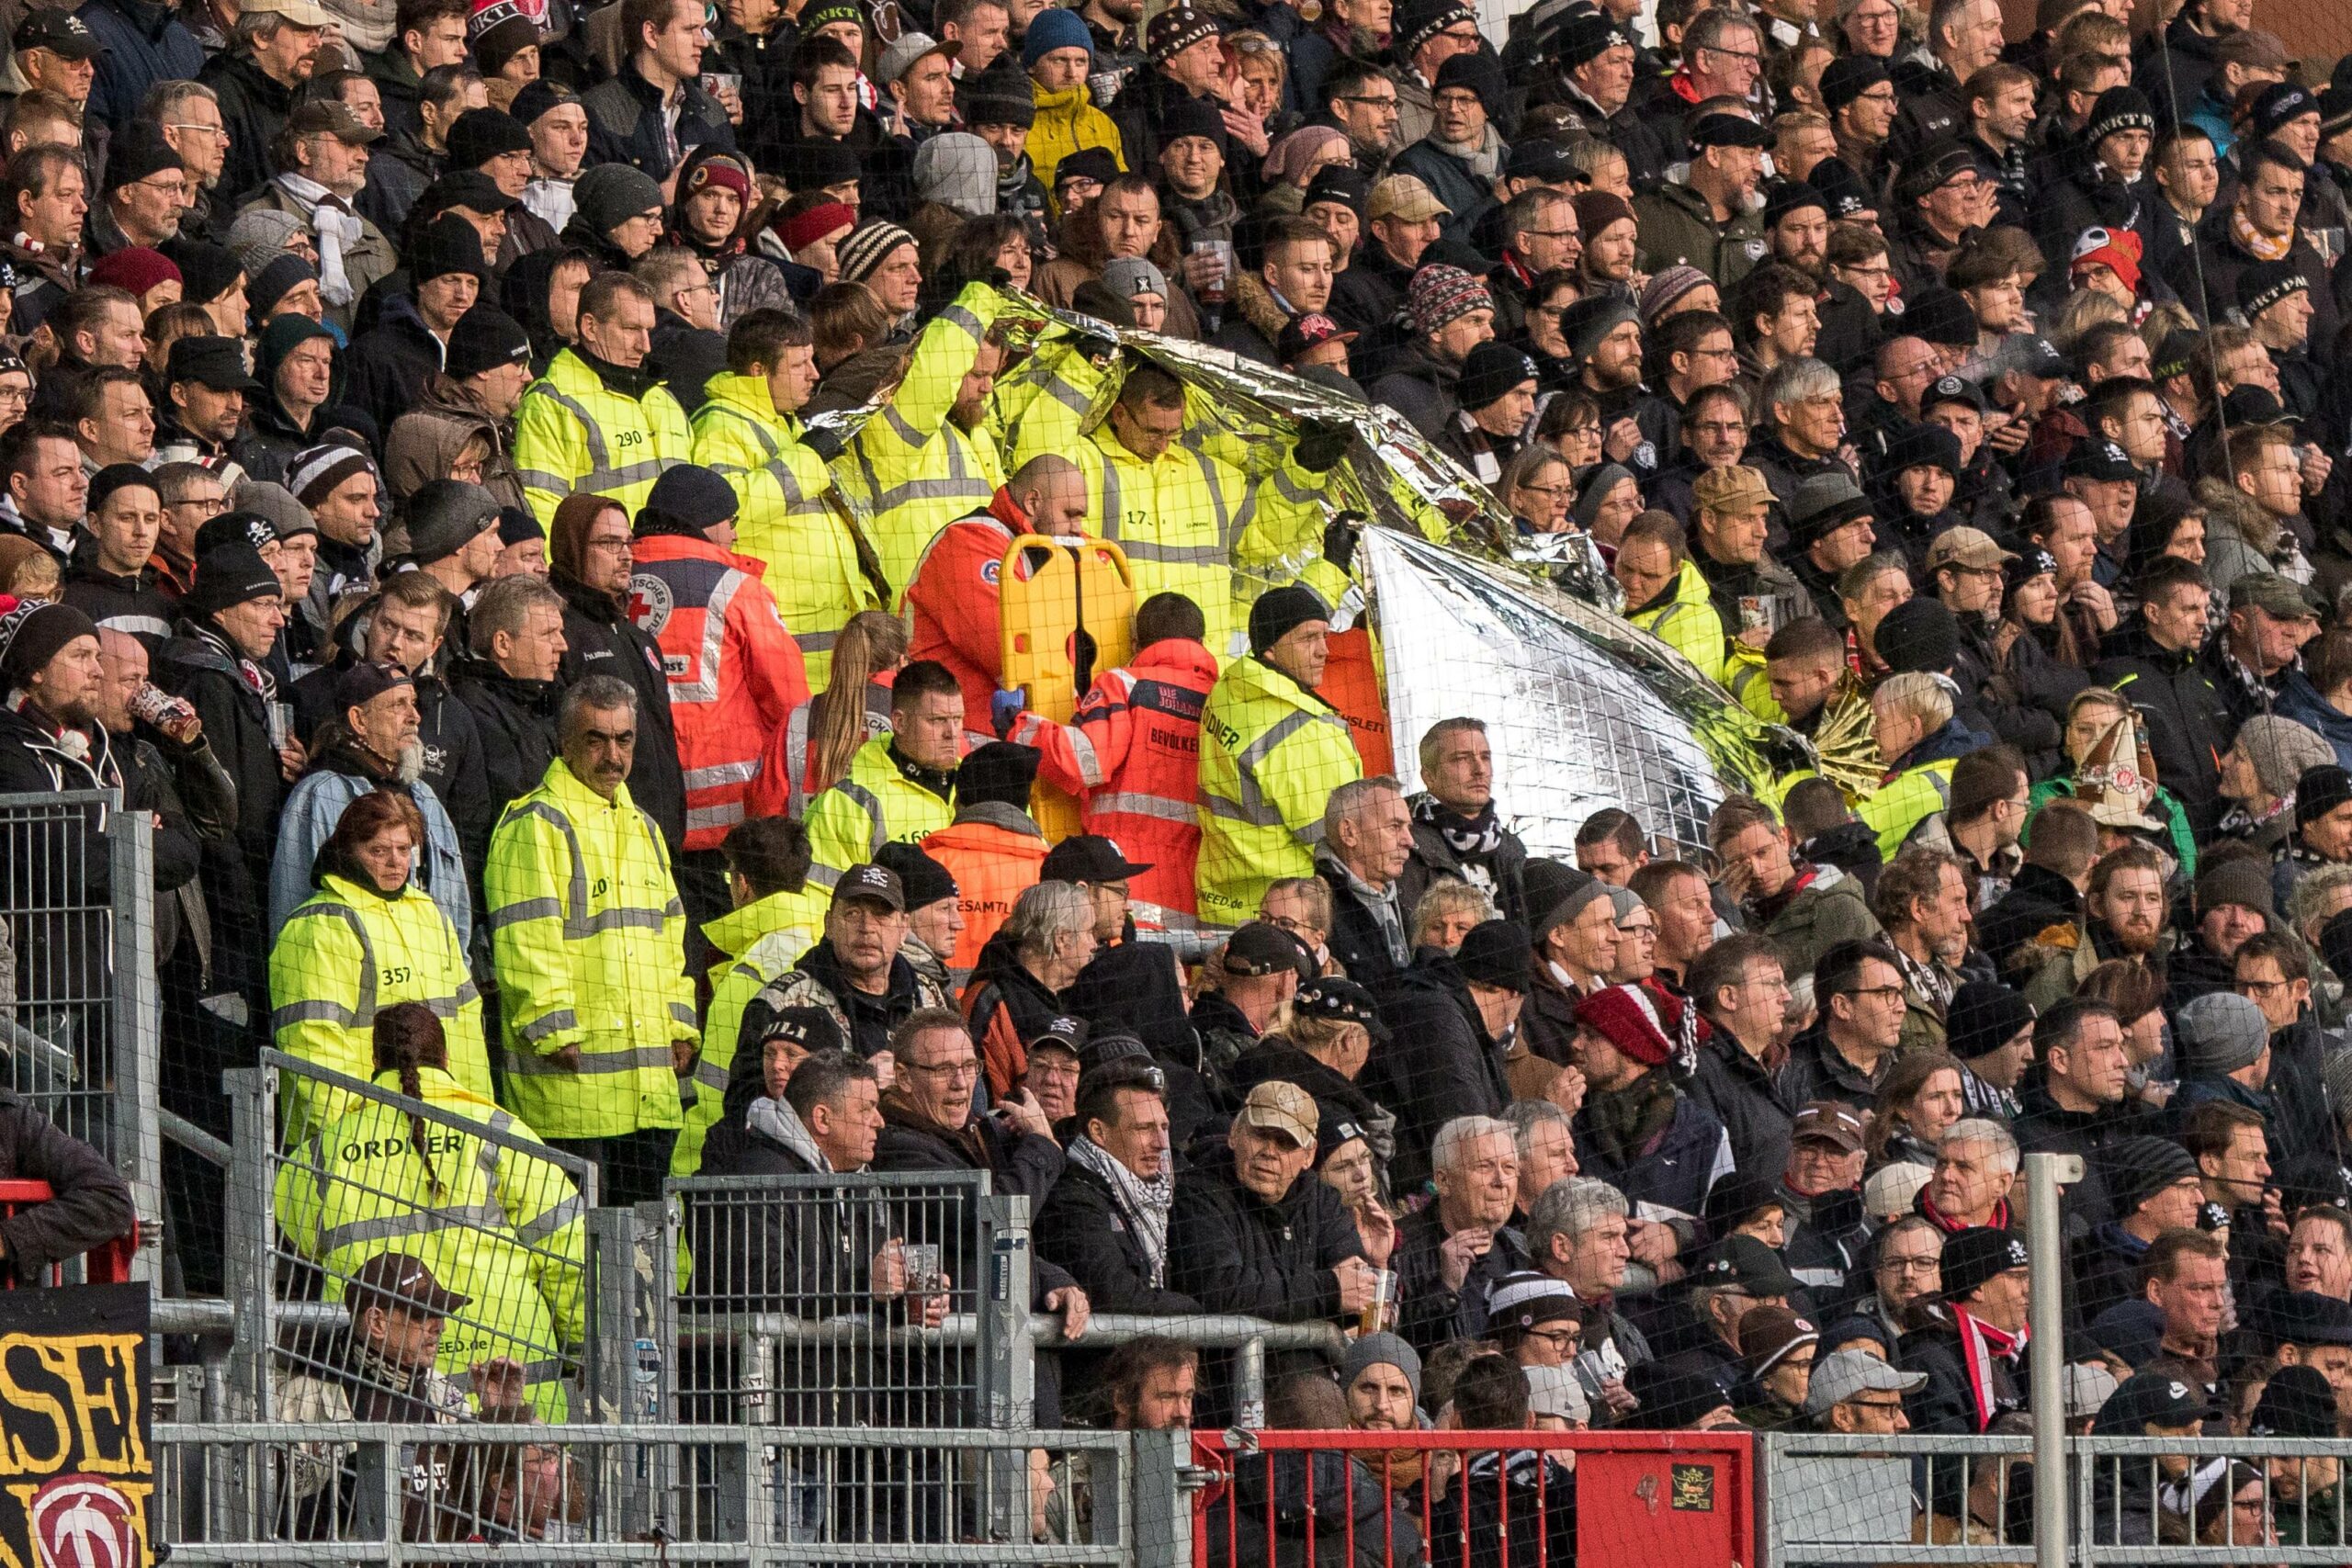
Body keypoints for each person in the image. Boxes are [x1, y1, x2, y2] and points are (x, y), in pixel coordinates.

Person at [275, 1001, 582, 1423]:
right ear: (447, 1058)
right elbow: (570, 1255)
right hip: (511, 1387)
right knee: (509, 1489)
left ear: (374, 1061)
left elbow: (303, 1239)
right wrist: (583, 1351)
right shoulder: (503, 1135)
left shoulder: (318, 1154)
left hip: (380, 1396)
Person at [483, 675, 696, 1208]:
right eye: (596, 739)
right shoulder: (535, 824)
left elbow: (670, 938)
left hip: (647, 1090)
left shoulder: (643, 827)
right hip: (571, 1096)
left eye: (623, 739)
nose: (612, 755)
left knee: (644, 1251)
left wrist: (678, 1024)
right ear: (564, 742)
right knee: (583, 1258)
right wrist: (554, 1034)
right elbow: (525, 941)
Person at [1005, 591, 1216, 922]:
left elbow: (1084, 762)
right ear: (1202, 641)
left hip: (1125, 883)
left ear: (1136, 642)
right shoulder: (1221, 699)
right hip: (1199, 889)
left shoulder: (1125, 685)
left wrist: (1021, 727)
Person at [1034, 1059, 1199, 1314]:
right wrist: (1200, 1313)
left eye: (1163, 1127)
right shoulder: (1070, 1200)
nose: (1161, 1143)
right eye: (1143, 1129)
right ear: (1099, 1132)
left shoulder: (1163, 1196)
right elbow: (1116, 1296)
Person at [741, 863, 954, 1061]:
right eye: (852, 914)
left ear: (903, 930)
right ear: (829, 924)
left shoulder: (928, 997)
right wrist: (858, 1085)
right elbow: (747, 1097)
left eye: (881, 915)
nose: (867, 927)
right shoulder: (781, 1002)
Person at [803, 659, 963, 889]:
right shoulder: (847, 805)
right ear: (899, 722)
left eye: (957, 720)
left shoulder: (985, 784)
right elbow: (822, 902)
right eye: (937, 721)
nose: (952, 733)